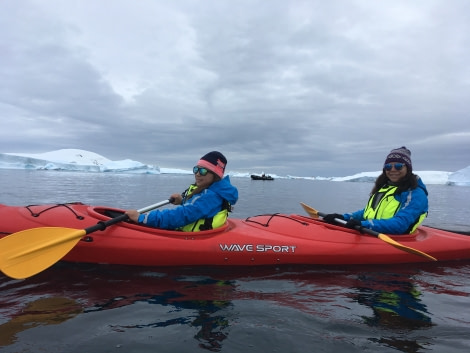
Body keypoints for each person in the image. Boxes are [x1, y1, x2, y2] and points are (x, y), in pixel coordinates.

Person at [323, 146, 428, 235]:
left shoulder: (415, 193)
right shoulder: (385, 188)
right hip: (372, 232)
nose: (392, 170)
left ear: (408, 168)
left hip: (395, 238)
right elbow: (367, 213)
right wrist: (344, 217)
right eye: (388, 166)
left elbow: (401, 224)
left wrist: (365, 224)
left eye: (398, 166)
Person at [125, 151, 238, 231]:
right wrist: (182, 201)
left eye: (203, 171)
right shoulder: (210, 190)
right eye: (196, 169)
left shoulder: (212, 197)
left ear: (215, 175)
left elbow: (183, 215)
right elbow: (197, 209)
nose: (197, 174)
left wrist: (142, 218)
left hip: (195, 240)